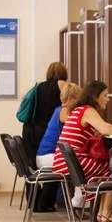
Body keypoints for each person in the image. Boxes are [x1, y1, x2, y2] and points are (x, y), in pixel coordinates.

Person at [52, 80, 112, 222]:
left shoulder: (78, 109)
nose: (108, 99)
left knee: (108, 166)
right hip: (72, 162)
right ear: (95, 97)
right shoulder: (87, 110)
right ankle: (106, 213)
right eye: (105, 95)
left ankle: (102, 213)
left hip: (65, 161)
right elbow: (106, 129)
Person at [32, 82, 82, 212]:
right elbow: (77, 125)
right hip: (49, 156)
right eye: (78, 99)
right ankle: (79, 203)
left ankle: (74, 201)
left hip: (44, 155)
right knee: (78, 166)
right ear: (71, 99)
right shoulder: (65, 112)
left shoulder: (57, 110)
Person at [21, 62, 68, 168]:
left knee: (34, 166)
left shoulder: (37, 86)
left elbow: (23, 97)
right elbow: (74, 99)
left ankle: (36, 180)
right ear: (64, 73)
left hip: (30, 130)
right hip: (47, 131)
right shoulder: (62, 85)